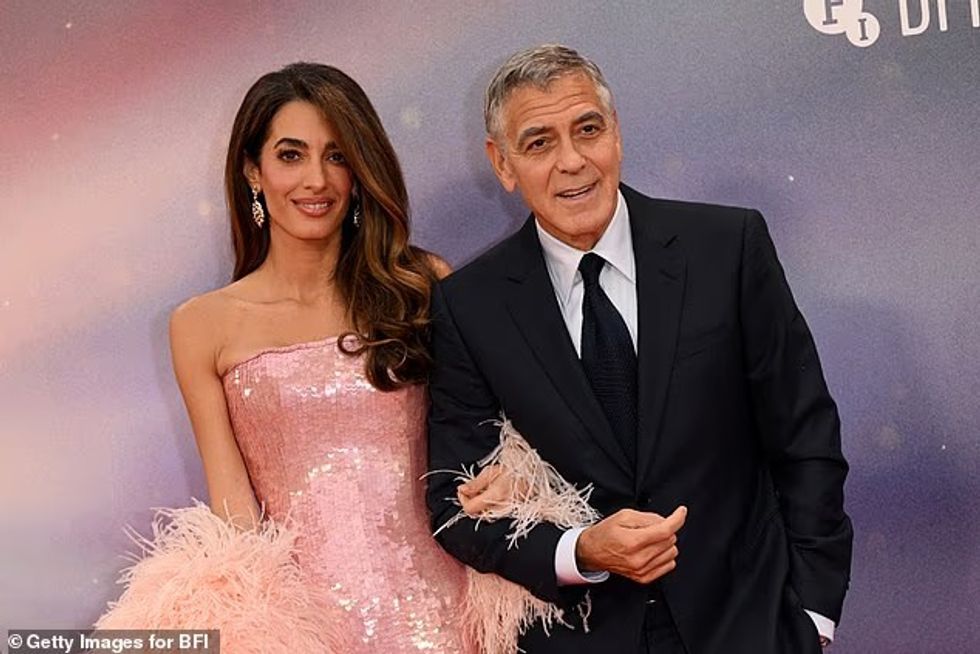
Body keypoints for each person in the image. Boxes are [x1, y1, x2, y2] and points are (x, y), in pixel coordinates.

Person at [426, 44, 853, 654]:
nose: (572, 161)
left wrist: (811, 614)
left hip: (751, 625)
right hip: (581, 636)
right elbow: (455, 502)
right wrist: (579, 551)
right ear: (502, 164)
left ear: (616, 132)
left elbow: (805, 437)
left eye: (588, 130)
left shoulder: (726, 248)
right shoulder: (470, 306)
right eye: (539, 143)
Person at [97, 62, 502, 653]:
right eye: (291, 155)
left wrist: (504, 480)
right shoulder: (201, 326)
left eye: (337, 156)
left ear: (359, 172)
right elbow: (237, 524)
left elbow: (481, 441)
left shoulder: (420, 285)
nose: (316, 180)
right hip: (307, 633)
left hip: (448, 622)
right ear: (252, 171)